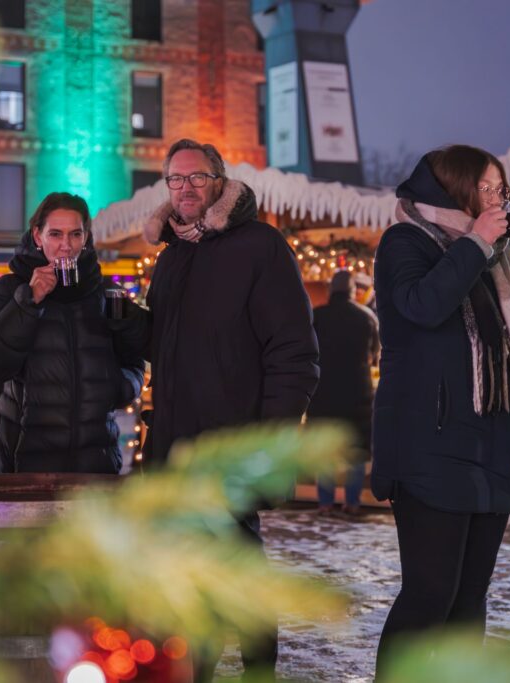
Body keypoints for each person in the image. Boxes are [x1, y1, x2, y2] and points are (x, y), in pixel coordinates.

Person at [140, 138, 319, 681]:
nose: (186, 188)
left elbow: (294, 353)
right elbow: (163, 348)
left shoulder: (260, 246)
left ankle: (258, 669)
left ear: (219, 182)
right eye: (176, 179)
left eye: (197, 177)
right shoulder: (171, 257)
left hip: (234, 445)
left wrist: (269, 442)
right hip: (177, 445)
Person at [371, 144, 510, 677]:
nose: (496, 199)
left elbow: (504, 345)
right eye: (486, 188)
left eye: (500, 189)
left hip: (489, 446)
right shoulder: (406, 242)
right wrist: (474, 243)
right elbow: (421, 307)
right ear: (456, 188)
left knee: (469, 600)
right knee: (430, 596)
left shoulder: (491, 255)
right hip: (431, 445)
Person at [0, 192, 144, 474]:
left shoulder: (107, 293)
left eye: (75, 234)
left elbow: (134, 360)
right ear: (37, 236)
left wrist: (115, 388)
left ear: (86, 238)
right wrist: (28, 302)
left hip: (94, 463)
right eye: (55, 234)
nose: (66, 245)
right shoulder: (11, 289)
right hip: (25, 464)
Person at [309, 269, 379, 516]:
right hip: (357, 393)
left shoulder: (316, 317)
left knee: (325, 450)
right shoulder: (367, 317)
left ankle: (325, 503)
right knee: (356, 451)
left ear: (331, 290)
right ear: (353, 291)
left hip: (323, 392)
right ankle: (352, 502)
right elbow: (374, 356)